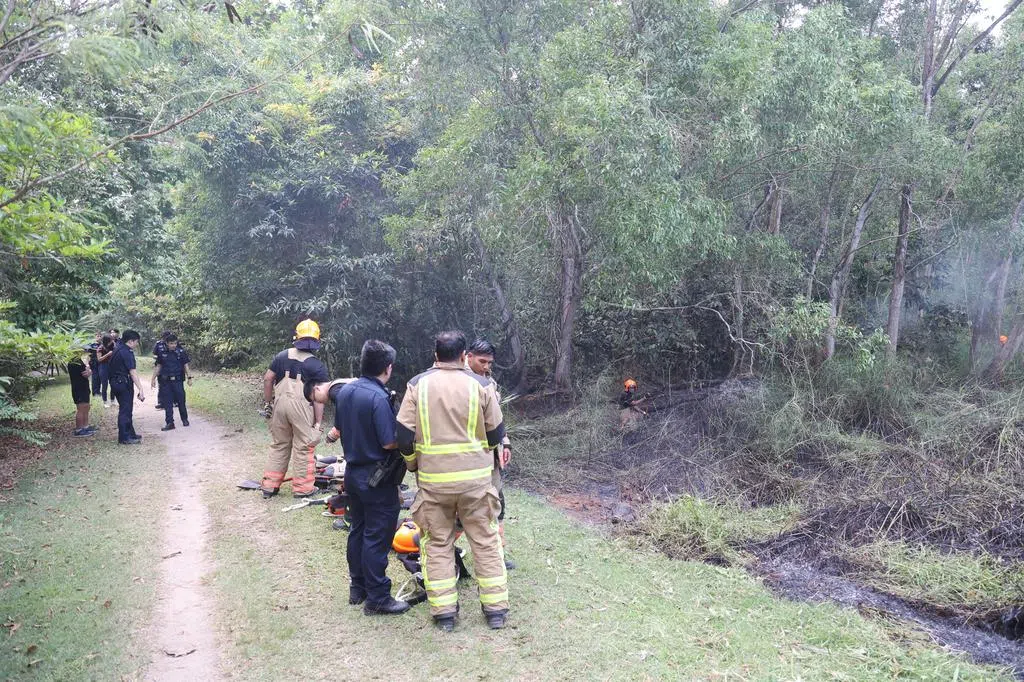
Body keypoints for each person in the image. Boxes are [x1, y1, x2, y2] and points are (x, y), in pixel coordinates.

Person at [396, 331, 509, 632]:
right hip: (476, 483)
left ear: (435, 355)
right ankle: (496, 611)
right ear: (463, 356)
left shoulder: (417, 385)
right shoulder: (481, 385)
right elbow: (496, 434)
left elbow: (403, 435)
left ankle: (445, 614)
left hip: (434, 484)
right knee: (485, 541)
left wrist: (412, 462)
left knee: (437, 544)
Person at [317, 340, 410, 616]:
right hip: (377, 476)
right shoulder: (378, 398)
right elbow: (389, 442)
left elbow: (340, 428)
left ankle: (357, 588)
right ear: (388, 368)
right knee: (376, 536)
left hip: (353, 472)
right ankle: (378, 597)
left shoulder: (346, 391)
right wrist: (411, 437)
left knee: (357, 529)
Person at [260, 319, 327, 499]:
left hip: (280, 405)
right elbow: (319, 398)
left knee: (279, 444)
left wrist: (268, 403)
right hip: (302, 407)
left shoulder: (281, 356)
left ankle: (269, 487)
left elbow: (268, 379)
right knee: (304, 446)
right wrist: (318, 423)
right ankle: (303, 489)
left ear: (297, 337)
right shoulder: (316, 365)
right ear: (316, 340)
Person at [466, 338, 516, 570]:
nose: (486, 366)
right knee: (463, 512)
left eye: (489, 362)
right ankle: (435, 551)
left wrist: (505, 443)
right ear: (468, 357)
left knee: (497, 503)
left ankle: (498, 554)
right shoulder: (460, 381)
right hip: (469, 457)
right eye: (482, 361)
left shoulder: (489, 381)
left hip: (491, 454)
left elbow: (496, 418)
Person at [108, 330, 146, 444]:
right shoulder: (126, 352)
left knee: (127, 409)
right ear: (130, 341)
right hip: (122, 383)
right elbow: (133, 372)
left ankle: (130, 433)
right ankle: (124, 438)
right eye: (136, 342)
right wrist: (141, 389)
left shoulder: (119, 348)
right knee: (125, 410)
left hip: (116, 382)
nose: (137, 344)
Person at [151, 333, 193, 431]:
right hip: (166, 382)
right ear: (167, 343)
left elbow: (185, 365)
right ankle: (170, 423)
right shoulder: (162, 353)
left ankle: (184, 419)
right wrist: (153, 379)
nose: (173, 345)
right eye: (171, 343)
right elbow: (158, 366)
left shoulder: (181, 352)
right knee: (167, 402)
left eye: (175, 343)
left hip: (178, 381)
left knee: (181, 400)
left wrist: (189, 378)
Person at [68, 346, 96, 437]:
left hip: (83, 386)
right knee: (81, 408)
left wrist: (89, 369)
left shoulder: (78, 360)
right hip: (78, 388)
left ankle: (85, 426)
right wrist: (89, 368)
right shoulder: (74, 362)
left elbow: (87, 372)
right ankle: (79, 429)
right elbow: (86, 374)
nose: (84, 351)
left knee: (86, 406)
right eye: (82, 349)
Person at [96, 333, 116, 407]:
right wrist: (108, 354)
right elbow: (99, 359)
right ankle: (105, 402)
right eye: (110, 341)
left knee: (113, 384)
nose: (112, 342)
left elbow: (116, 350)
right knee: (104, 385)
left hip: (112, 366)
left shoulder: (112, 346)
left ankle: (112, 400)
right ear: (106, 341)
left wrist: (114, 343)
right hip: (103, 366)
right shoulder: (100, 348)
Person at [153, 331, 171, 410]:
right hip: (160, 366)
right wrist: (160, 357)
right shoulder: (158, 344)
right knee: (161, 385)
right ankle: (161, 403)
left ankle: (173, 401)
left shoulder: (173, 343)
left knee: (172, 385)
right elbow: (154, 354)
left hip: (171, 367)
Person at [87, 332, 102, 399]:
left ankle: (98, 391)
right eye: (97, 336)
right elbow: (88, 354)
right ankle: (94, 392)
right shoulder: (91, 345)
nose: (99, 337)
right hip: (93, 362)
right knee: (95, 377)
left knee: (99, 377)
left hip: (100, 362)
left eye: (100, 336)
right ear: (95, 337)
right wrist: (87, 363)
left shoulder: (102, 344)